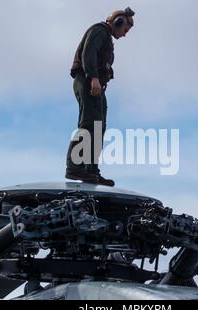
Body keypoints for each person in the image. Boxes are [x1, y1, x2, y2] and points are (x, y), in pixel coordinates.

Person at [65, 7, 135, 187]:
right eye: (125, 29)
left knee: (98, 126)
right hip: (87, 81)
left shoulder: (107, 38)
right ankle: (75, 167)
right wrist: (93, 77)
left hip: (96, 85)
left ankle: (91, 171)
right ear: (118, 22)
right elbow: (88, 52)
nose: (125, 35)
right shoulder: (99, 31)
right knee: (88, 123)